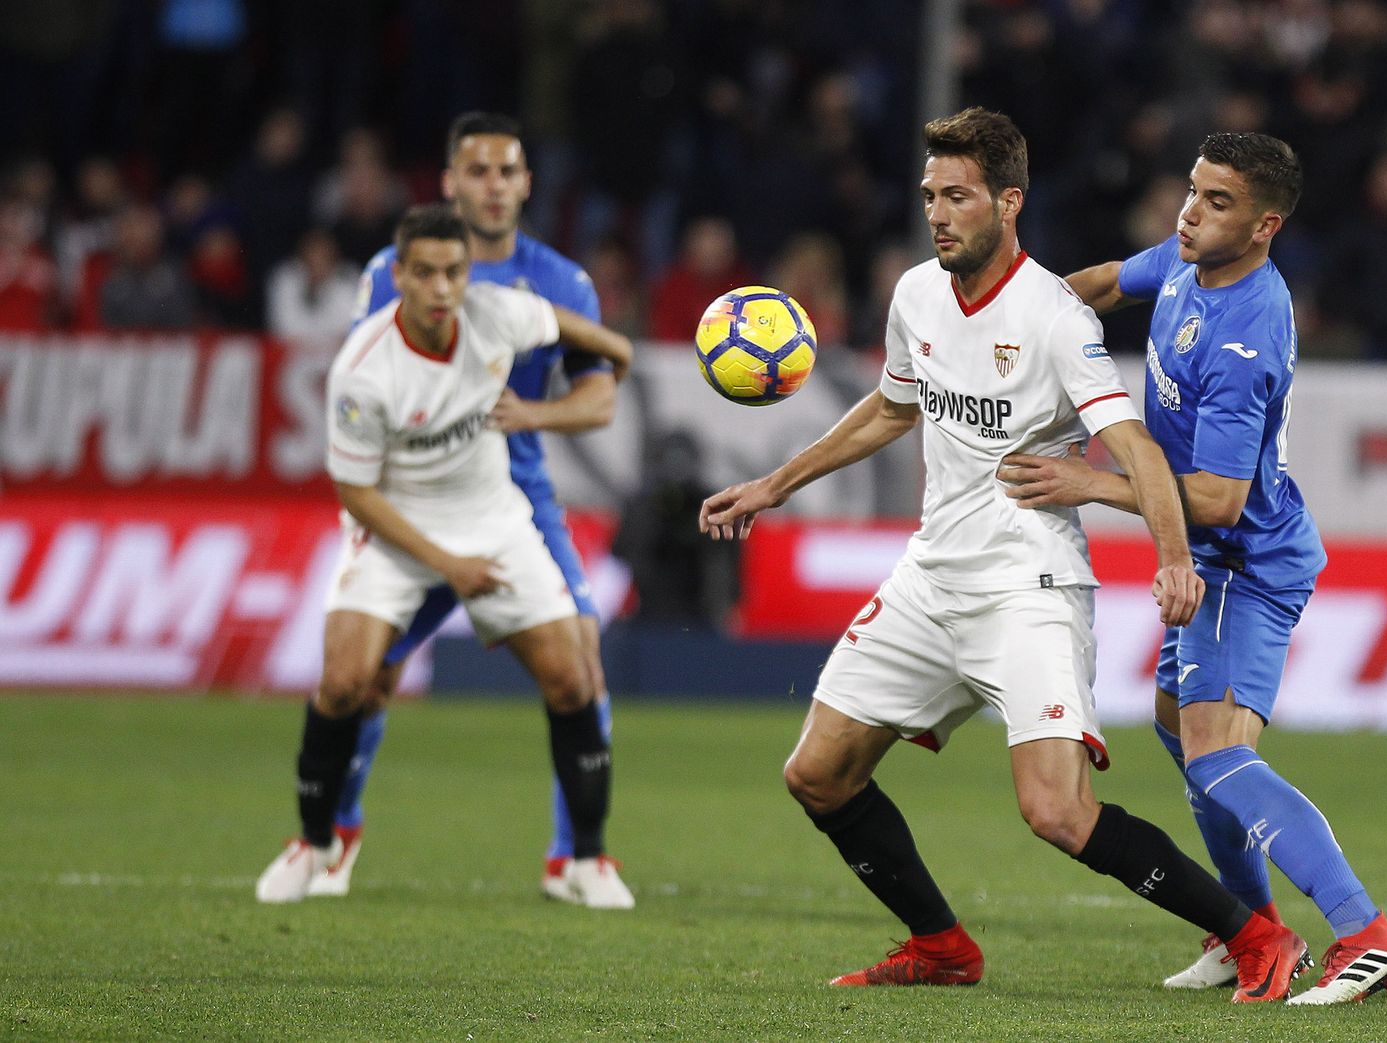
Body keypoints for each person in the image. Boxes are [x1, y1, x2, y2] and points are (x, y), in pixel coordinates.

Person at [699, 107, 1309, 1000]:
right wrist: (772, 485)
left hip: (1030, 583)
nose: (937, 214)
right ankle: (942, 945)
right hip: (931, 574)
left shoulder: (1056, 318)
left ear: (1007, 201)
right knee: (819, 774)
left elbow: (1136, 448)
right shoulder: (915, 295)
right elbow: (893, 407)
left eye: (957, 197)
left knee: (1056, 812)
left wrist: (1173, 557)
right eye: (928, 197)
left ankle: (1256, 935)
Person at [1017, 132, 1387, 1004]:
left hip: (1242, 559)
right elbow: (1092, 286)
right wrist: (1012, 316)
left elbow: (1219, 497)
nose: (1191, 211)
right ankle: (1251, 929)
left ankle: (1367, 930)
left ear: (1266, 224)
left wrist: (1090, 480)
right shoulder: (1187, 257)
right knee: (1178, 728)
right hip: (1206, 558)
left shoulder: (1247, 336)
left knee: (1212, 755)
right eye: (1193, 191)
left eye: (1218, 202)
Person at [254, 204, 635, 908]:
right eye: (424, 272)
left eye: (452, 272)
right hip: (396, 529)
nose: (439, 287)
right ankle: (315, 843)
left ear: (468, 276)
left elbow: (581, 334)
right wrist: (447, 565)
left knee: (575, 679)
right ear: (398, 275)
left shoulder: (499, 313)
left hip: (494, 521)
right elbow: (357, 494)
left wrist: (617, 352)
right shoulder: (364, 369)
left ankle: (584, 860)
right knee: (344, 682)